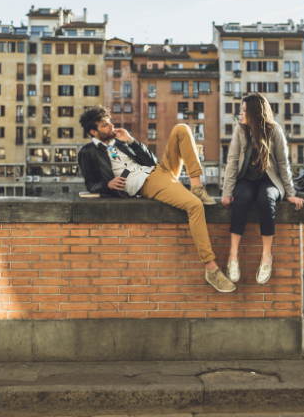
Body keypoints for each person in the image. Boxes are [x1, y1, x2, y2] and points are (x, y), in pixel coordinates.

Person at [77, 106, 236, 293]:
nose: (111, 126)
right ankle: (211, 269)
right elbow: (91, 183)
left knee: (182, 129)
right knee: (194, 206)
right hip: (145, 183)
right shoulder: (87, 152)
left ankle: (197, 186)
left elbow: (151, 161)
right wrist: (108, 185)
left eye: (110, 121)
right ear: (93, 132)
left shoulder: (119, 141)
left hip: (159, 170)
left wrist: (131, 141)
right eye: (105, 125)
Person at [220, 93, 304, 285]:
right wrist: (226, 192)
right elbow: (232, 162)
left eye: (244, 110)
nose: (240, 113)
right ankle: (233, 257)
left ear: (255, 112)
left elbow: (283, 164)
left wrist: (290, 194)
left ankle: (266, 257)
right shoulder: (240, 130)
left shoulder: (274, 131)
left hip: (269, 180)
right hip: (246, 180)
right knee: (241, 199)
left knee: (267, 200)